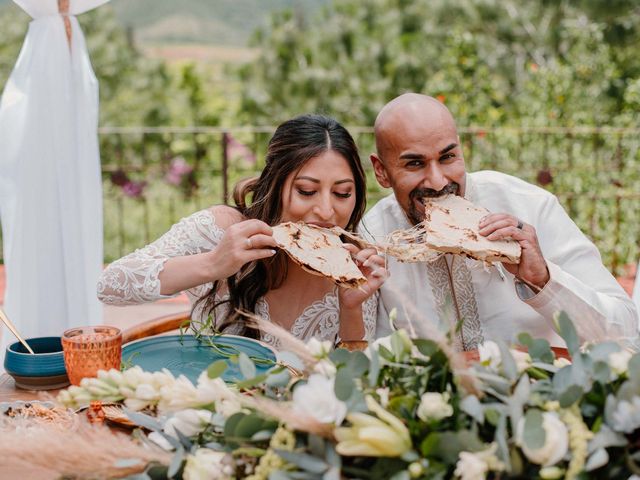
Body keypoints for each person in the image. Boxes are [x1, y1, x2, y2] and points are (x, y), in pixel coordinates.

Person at [359, 93, 639, 350]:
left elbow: (627, 332)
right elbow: (373, 356)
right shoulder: (372, 237)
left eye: (448, 157)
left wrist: (542, 279)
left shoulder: (528, 205)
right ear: (381, 172)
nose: (438, 181)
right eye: (415, 164)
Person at [98, 114, 387, 348]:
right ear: (274, 184)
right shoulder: (224, 229)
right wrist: (212, 264)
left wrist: (351, 308)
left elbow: (353, 381)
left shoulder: (357, 262)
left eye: (342, 193)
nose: (326, 210)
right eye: (307, 191)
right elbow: (109, 286)